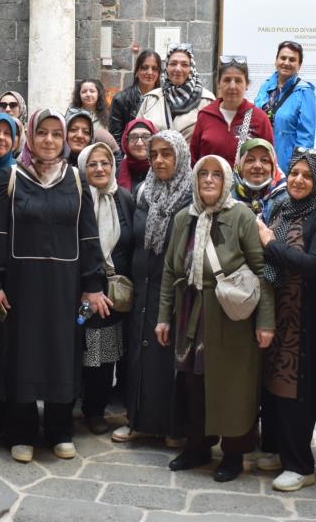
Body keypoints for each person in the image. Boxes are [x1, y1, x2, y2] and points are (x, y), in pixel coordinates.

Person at [0, 110, 111, 462]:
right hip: (20, 287)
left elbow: (88, 235)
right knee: (21, 355)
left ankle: (59, 430)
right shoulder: (9, 178)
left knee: (61, 353)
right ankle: (20, 431)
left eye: (57, 134)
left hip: (64, 289)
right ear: (31, 137)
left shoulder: (76, 178)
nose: (50, 140)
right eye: (43, 133)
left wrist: (93, 284)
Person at [157, 154, 274, 482]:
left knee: (233, 385)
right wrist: (163, 317)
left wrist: (266, 321)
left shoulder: (241, 217)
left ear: (226, 180)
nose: (208, 179)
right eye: (202, 174)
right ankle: (197, 446)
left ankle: (234, 453)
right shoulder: (184, 218)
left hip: (230, 316)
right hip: (191, 311)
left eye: (216, 175)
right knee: (194, 383)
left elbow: (262, 270)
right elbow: (170, 270)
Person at [252, 147, 316, 491]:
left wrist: (270, 242)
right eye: (294, 174)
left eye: (307, 175)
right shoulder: (281, 208)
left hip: (304, 322)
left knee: (295, 391)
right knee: (273, 387)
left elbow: (315, 264)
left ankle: (301, 464)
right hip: (277, 315)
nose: (298, 180)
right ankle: (276, 449)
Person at [114, 129, 194, 445]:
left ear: (181, 156)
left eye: (167, 153)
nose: (160, 160)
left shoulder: (191, 195)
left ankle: (171, 427)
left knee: (167, 359)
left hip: (172, 290)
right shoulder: (143, 193)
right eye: (155, 154)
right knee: (138, 355)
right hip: (141, 288)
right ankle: (138, 421)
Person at [76, 141, 135, 435]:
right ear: (83, 167)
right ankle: (74, 402)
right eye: (93, 163)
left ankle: (95, 409)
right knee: (79, 347)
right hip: (81, 289)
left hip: (114, 293)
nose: (100, 169)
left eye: (105, 163)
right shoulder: (76, 197)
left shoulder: (123, 198)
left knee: (104, 350)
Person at [189, 57, 273, 164]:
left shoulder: (260, 118)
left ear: (246, 84)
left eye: (238, 81)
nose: (232, 86)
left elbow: (269, 159)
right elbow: (194, 159)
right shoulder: (205, 115)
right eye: (227, 80)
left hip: (244, 181)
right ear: (218, 83)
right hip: (211, 180)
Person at [255, 40, 316, 172]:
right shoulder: (265, 87)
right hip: (260, 162)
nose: (286, 62)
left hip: (285, 165)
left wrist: (297, 168)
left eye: (292, 59)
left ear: (299, 65)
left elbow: (306, 137)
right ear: (276, 61)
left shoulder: (305, 92)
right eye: (283, 58)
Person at [137, 44, 215, 141]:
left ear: (191, 68)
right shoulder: (151, 99)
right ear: (166, 67)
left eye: (184, 64)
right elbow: (137, 135)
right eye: (173, 64)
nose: (178, 69)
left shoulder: (207, 100)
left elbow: (212, 140)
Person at [109, 49, 162, 149]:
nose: (149, 72)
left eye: (154, 69)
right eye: (144, 68)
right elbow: (115, 142)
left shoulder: (165, 99)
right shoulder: (120, 100)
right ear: (137, 71)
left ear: (159, 73)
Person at [231, 138, 285, 222]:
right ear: (240, 166)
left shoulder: (286, 200)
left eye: (264, 160)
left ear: (273, 167)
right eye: (250, 160)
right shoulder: (226, 198)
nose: (257, 166)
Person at [116, 118, 156, 192]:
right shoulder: (117, 172)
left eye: (146, 137)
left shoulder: (162, 167)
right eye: (133, 137)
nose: (139, 143)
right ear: (126, 142)